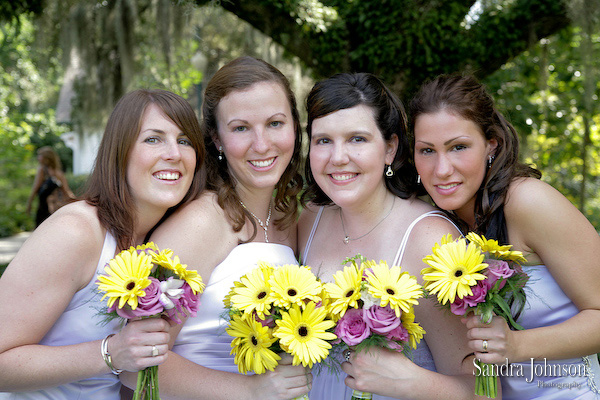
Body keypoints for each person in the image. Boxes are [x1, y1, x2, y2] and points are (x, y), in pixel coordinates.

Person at [121, 56, 310, 399]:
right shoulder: (200, 223)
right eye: (240, 128)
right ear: (217, 140)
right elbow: (134, 368)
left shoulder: (289, 216)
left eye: (275, 123)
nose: (262, 144)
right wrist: (250, 390)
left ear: (295, 128)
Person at [0, 88, 205, 399]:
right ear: (119, 151)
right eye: (153, 139)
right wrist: (110, 352)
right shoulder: (76, 231)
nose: (173, 153)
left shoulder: (159, 243)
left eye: (184, 140)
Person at [410, 74, 600, 399]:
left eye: (459, 147)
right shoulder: (439, 225)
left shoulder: (527, 202)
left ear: (491, 145)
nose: (441, 169)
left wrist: (515, 345)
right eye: (427, 151)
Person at [298, 72, 482, 400]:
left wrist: (412, 382)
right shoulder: (310, 219)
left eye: (357, 139)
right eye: (323, 140)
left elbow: (486, 391)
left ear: (390, 148)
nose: (337, 157)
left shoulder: (432, 241)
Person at [26, 146, 75, 226]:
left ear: (47, 158)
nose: (38, 158)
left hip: (50, 207)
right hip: (46, 207)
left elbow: (66, 191)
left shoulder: (50, 172)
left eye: (40, 155)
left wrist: (75, 201)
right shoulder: (48, 171)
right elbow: (67, 192)